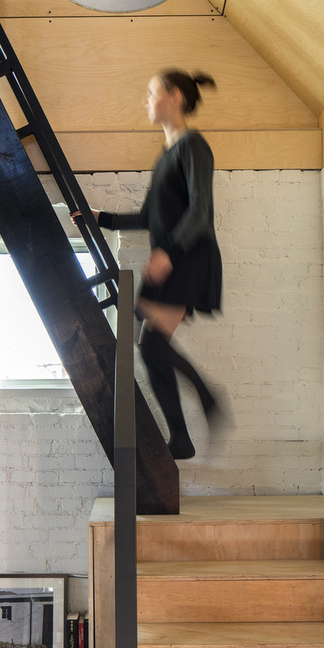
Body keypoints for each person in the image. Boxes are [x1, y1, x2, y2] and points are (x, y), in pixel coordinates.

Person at [78, 69, 223, 459]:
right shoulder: (167, 155)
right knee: (151, 348)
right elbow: (149, 218)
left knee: (150, 345)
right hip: (174, 257)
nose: (145, 100)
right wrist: (102, 218)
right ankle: (187, 431)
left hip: (188, 257)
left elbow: (201, 212)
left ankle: (198, 412)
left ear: (174, 96)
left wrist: (169, 253)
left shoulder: (193, 146)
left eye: (150, 92)